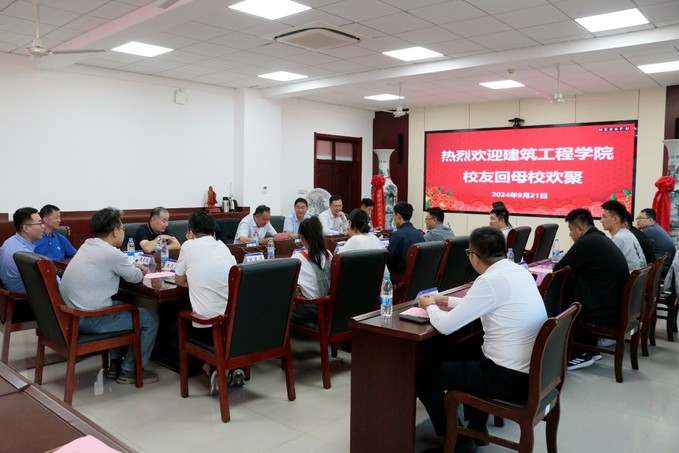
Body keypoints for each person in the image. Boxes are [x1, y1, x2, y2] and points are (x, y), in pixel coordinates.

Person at [416, 227, 546, 453]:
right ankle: (477, 429)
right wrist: (444, 300)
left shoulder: (489, 280)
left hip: (507, 378)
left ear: (474, 257)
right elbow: (485, 303)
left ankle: (458, 442)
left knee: (422, 375)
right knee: (468, 349)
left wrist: (430, 306)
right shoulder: (517, 271)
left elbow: (446, 326)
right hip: (532, 373)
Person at [60, 207, 159, 385]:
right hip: (89, 318)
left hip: (71, 314)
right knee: (150, 319)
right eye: (122, 229)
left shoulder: (88, 244)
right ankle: (130, 370)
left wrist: (129, 267)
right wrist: (138, 270)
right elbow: (135, 277)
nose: (123, 232)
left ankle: (115, 366)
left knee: (119, 304)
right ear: (114, 231)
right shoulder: (111, 253)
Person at [174, 211, 241, 394]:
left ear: (191, 233)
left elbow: (179, 280)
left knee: (179, 326)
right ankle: (232, 367)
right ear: (213, 231)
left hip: (206, 326)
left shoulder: (188, 246)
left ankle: (211, 369)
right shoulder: (222, 246)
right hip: (231, 323)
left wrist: (195, 281)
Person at [553, 208, 628, 370]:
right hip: (613, 303)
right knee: (570, 290)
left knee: (559, 298)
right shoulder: (600, 238)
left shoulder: (586, 243)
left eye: (571, 230)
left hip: (603, 310)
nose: (570, 234)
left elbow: (558, 269)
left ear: (580, 228)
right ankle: (590, 349)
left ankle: (579, 353)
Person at [290, 217, 332, 323]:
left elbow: (290, 287)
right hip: (330, 307)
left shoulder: (297, 258)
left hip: (312, 310)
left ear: (302, 238)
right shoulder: (328, 254)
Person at [0, 207, 44, 294]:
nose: (43, 226)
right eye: (39, 223)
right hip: (27, 298)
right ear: (26, 228)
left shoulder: (10, 241)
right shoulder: (25, 255)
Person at [600, 200, 646, 272]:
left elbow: (605, 265)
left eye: (604, 217)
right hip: (638, 276)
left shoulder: (619, 239)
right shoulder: (627, 233)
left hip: (628, 278)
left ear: (615, 219)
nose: (601, 221)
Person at [386, 202, 424, 275]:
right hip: (416, 275)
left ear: (398, 216)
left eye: (394, 215)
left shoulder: (397, 235)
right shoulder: (419, 234)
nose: (394, 218)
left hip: (400, 276)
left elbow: (389, 258)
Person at [637, 207, 676, 274]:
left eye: (640, 218)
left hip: (662, 269)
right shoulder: (655, 227)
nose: (638, 221)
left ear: (650, 220)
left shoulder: (649, 231)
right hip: (667, 266)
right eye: (637, 218)